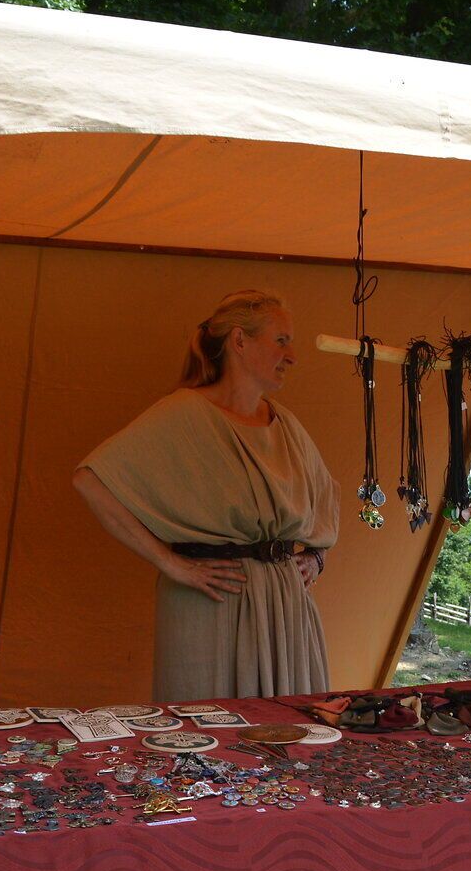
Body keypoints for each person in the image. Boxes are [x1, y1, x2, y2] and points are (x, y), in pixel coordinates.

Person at [73, 290, 339, 701]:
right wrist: (172, 564)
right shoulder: (184, 414)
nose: (293, 355)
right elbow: (91, 480)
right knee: (205, 737)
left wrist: (316, 557)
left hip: (283, 609)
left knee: (289, 736)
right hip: (211, 604)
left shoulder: (285, 425)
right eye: (282, 340)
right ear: (239, 341)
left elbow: (325, 497)